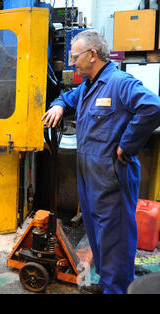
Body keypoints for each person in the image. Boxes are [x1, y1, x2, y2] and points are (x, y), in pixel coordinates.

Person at [42, 30, 160, 294]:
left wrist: (127, 145)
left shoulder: (120, 83)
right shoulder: (87, 87)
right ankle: (107, 285)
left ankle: (117, 290)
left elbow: (153, 107)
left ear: (92, 55)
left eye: (75, 57)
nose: (72, 62)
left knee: (115, 240)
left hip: (112, 178)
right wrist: (59, 106)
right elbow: (65, 98)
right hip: (90, 178)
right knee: (98, 237)